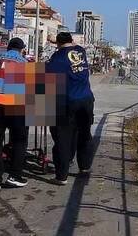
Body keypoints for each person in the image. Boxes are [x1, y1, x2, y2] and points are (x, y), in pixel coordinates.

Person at [47, 32, 94, 185]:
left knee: (63, 138)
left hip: (67, 102)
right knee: (84, 134)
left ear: (58, 44)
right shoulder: (81, 51)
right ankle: (85, 168)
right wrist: (57, 41)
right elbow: (71, 45)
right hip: (86, 100)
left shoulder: (58, 57)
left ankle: (61, 176)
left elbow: (47, 76)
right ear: (71, 40)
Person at [0, 38, 29, 192]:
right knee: (19, 140)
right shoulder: (24, 62)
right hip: (15, 101)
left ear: (8, 48)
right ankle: (14, 176)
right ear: (21, 50)